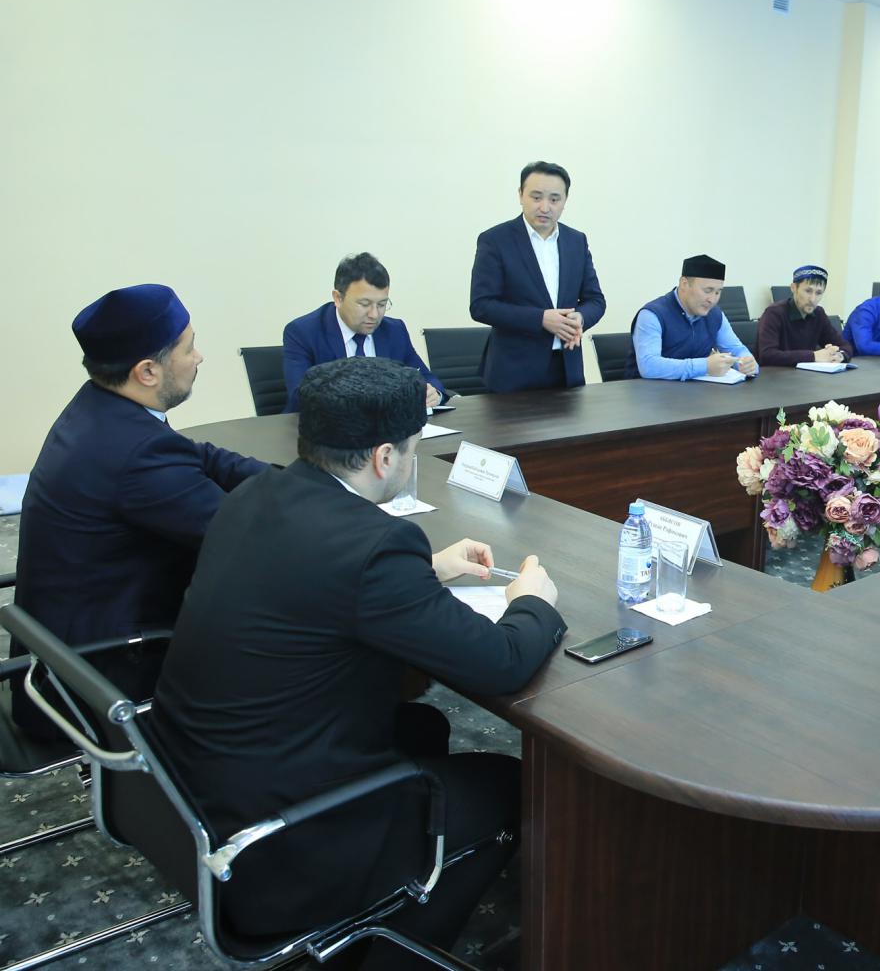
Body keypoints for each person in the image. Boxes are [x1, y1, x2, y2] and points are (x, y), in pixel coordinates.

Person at [150, 358, 568, 971]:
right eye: (413, 448)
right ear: (384, 457)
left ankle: (392, 888)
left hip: (188, 791)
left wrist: (425, 571)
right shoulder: (375, 544)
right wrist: (532, 601)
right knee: (509, 784)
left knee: (422, 727)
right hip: (276, 841)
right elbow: (502, 663)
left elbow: (314, 579)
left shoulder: (257, 494)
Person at [12, 284, 267, 738]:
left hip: (61, 654)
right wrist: (332, 504)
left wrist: (290, 478)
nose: (200, 357)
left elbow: (199, 455)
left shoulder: (103, 408)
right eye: (189, 348)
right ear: (148, 371)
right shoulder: (134, 453)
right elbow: (246, 537)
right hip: (101, 680)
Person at [470, 160, 606, 391]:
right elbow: (481, 306)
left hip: (567, 370)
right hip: (513, 374)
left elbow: (595, 300)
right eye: (536, 197)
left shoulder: (576, 241)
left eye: (554, 199)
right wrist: (540, 319)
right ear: (520, 195)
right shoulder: (495, 240)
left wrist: (580, 318)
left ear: (565, 201)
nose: (545, 207)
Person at [282, 252, 447, 412]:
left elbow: (426, 377)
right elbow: (300, 397)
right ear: (338, 298)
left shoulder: (394, 330)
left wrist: (433, 395)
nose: (374, 314)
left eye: (382, 304)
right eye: (364, 304)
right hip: (329, 427)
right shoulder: (303, 332)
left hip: (386, 426)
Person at [625, 254, 758, 381]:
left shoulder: (715, 314)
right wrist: (705, 366)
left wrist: (747, 363)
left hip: (696, 392)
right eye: (707, 291)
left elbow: (736, 349)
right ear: (684, 284)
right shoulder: (652, 315)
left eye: (718, 292)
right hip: (649, 393)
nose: (712, 300)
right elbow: (649, 366)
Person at [755, 265, 854, 367]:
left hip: (805, 374)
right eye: (808, 291)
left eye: (819, 293)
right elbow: (767, 356)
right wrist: (813, 356)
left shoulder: (819, 313)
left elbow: (845, 346)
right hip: (774, 375)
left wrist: (839, 355)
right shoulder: (774, 313)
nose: (813, 299)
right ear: (794, 288)